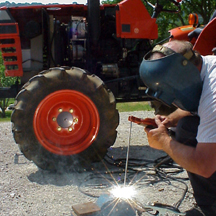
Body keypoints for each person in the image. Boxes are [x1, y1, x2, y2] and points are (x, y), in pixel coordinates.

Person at [139, 40, 216, 216]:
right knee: (185, 125)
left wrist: (164, 141)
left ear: (184, 71)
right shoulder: (206, 67)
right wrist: (169, 120)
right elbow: (195, 106)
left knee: (188, 131)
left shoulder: (214, 93)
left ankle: (212, 208)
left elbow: (204, 165)